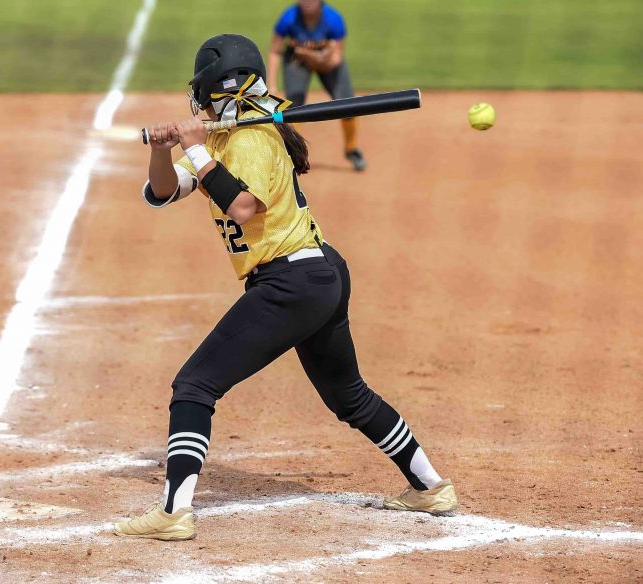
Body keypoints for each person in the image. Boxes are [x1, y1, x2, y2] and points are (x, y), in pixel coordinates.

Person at [113, 34, 457, 542]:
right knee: (348, 395)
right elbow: (162, 193)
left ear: (215, 88)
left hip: (291, 280)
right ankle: (430, 487)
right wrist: (168, 150)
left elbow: (243, 207)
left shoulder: (251, 141)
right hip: (317, 276)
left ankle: (172, 512)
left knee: (195, 386)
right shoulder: (224, 140)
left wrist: (193, 146)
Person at [268, 0, 366, 171]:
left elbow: (335, 60)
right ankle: (291, 152)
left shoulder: (334, 20)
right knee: (294, 106)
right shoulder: (289, 18)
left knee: (347, 102)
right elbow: (275, 51)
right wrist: (272, 84)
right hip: (297, 60)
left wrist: (311, 55)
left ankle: (352, 149)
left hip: (326, 62)